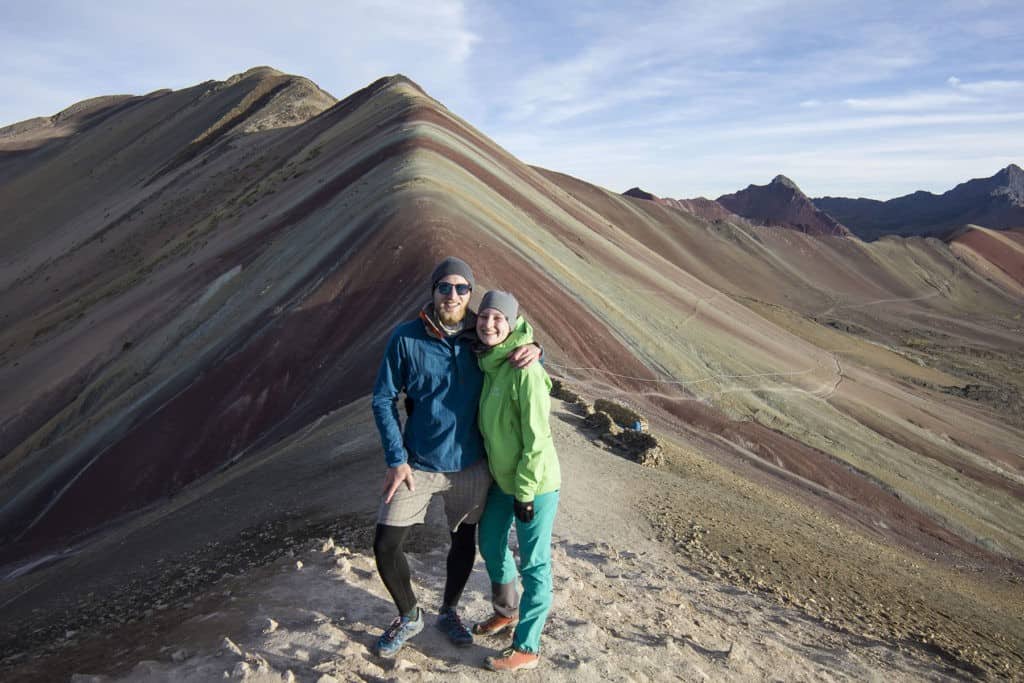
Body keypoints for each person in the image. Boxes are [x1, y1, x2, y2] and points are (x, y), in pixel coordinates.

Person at [370, 257, 540, 658]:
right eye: (444, 287)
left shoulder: (482, 333)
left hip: (471, 466)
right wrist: (396, 458)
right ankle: (410, 614)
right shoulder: (406, 337)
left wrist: (537, 348)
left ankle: (448, 611)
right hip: (417, 464)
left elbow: (518, 344)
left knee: (464, 542)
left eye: (462, 288)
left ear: (471, 293)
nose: (452, 295)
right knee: (385, 544)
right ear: (432, 291)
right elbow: (382, 397)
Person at [472, 290, 561, 673]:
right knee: (491, 543)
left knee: (534, 565)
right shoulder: (489, 361)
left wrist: (525, 494)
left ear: (511, 324)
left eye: (498, 319)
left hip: (535, 486)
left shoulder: (525, 370)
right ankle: (507, 612)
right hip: (502, 482)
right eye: (485, 316)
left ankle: (527, 647)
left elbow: (537, 441)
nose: (489, 324)